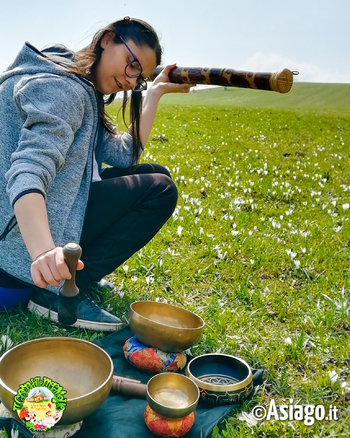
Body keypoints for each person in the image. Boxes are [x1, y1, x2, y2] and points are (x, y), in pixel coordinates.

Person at [0, 17, 192, 331]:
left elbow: (122, 155)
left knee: (155, 173)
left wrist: (155, 93)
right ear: (107, 39)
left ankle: (70, 277)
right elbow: (28, 170)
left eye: (140, 78)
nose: (132, 82)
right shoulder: (65, 91)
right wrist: (44, 252)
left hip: (13, 236)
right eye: (131, 65)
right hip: (18, 258)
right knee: (160, 189)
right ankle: (59, 293)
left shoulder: (75, 82)